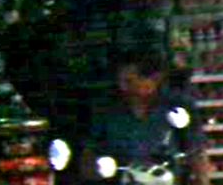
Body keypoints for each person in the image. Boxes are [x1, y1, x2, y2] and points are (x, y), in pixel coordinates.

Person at [81, 49, 209, 185]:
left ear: (155, 79)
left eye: (130, 81)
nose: (123, 87)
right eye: (120, 81)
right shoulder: (106, 110)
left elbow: (196, 151)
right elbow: (89, 154)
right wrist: (98, 169)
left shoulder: (178, 106)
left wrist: (202, 180)